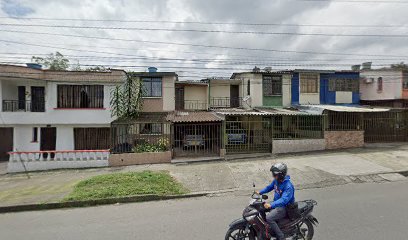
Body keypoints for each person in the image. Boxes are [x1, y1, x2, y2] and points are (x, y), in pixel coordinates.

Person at [258, 163, 295, 240]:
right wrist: (259, 192)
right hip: (277, 203)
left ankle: (280, 236)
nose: (274, 176)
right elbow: (269, 187)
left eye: (275, 174)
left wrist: (271, 205)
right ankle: (268, 228)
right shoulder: (276, 181)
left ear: (281, 174)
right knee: (260, 207)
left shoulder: (288, 186)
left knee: (269, 218)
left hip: (285, 207)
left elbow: (284, 200)